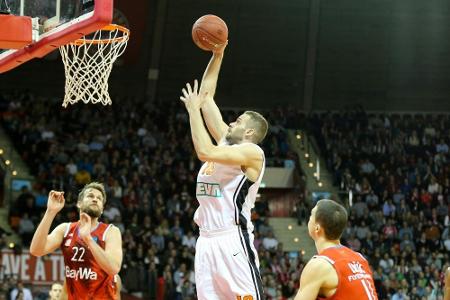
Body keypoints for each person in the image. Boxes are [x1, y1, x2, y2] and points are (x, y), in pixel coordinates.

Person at [179, 44, 269, 300]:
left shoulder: (252, 152)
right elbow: (207, 97)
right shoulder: (227, 142)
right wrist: (218, 55)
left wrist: (193, 111)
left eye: (238, 121)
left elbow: (204, 151)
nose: (232, 122)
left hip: (232, 239)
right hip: (206, 241)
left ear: (249, 133)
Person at [30, 182, 122, 300]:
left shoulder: (111, 231)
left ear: (102, 209)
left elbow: (113, 268)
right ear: (79, 203)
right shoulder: (65, 229)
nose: (95, 199)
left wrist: (88, 239)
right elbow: (36, 250)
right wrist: (50, 212)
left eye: (99, 198)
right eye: (90, 196)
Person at [294, 199, 378, 300]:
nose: (309, 218)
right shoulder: (360, 258)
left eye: (311, 215)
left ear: (317, 228)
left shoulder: (319, 266)